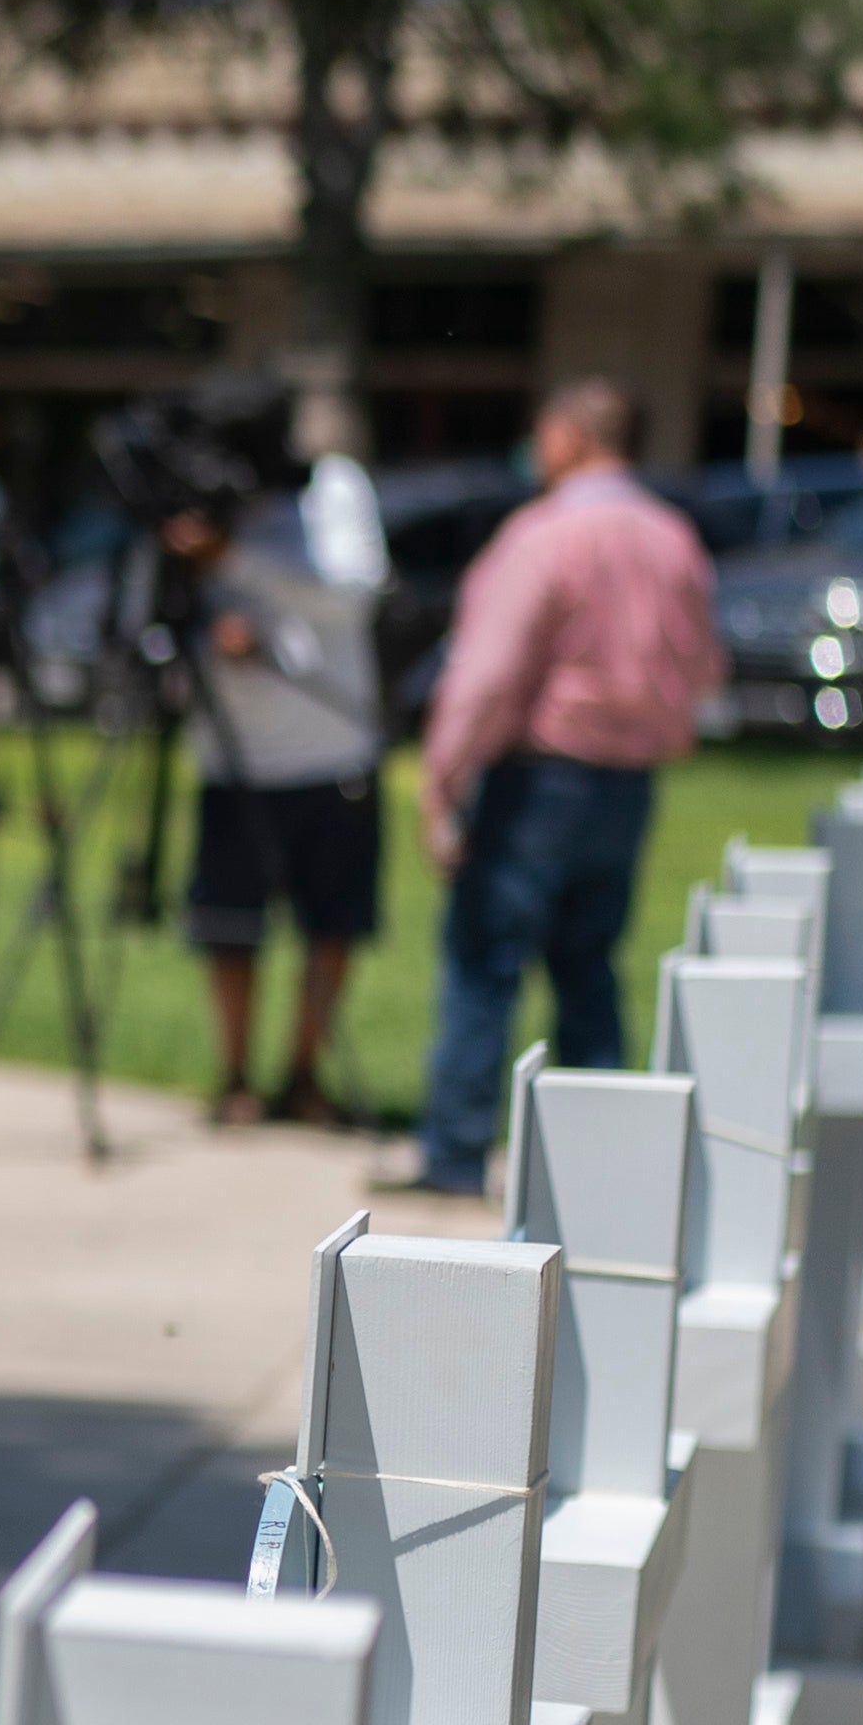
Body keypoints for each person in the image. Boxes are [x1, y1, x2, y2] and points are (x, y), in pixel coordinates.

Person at [401, 378, 712, 1198]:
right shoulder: (673, 537)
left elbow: (489, 672)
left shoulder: (543, 536)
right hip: (629, 783)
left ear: (571, 436)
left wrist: (443, 776)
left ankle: (455, 1154)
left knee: (484, 962)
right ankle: (598, 1171)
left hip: (538, 780)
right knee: (589, 967)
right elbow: (703, 665)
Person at [163, 476, 389, 1130]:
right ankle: (235, 1078)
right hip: (231, 759)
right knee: (230, 931)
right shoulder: (192, 500)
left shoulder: (335, 487)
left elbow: (354, 595)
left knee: (331, 927)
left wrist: (229, 556)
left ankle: (304, 1078)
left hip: (332, 753)